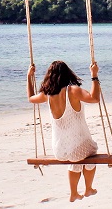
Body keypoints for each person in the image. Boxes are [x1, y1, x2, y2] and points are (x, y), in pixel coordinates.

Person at [27, 60, 101, 202]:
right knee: (91, 150)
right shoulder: (73, 91)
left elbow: (31, 98)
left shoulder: (47, 94)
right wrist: (94, 75)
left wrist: (28, 77)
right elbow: (95, 98)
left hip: (59, 150)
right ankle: (88, 188)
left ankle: (74, 193)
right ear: (68, 73)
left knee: (77, 155)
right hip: (77, 148)